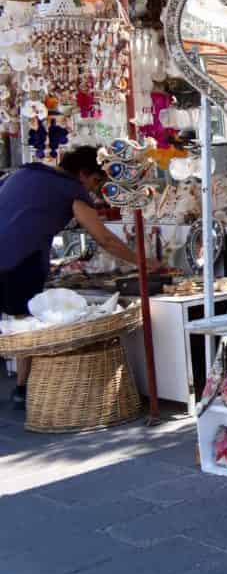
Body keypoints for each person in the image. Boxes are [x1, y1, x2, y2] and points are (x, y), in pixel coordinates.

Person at [0, 146, 140, 409]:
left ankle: (22, 387)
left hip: (11, 252)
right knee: (25, 321)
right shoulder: (71, 189)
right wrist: (142, 262)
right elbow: (105, 239)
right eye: (97, 181)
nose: (95, 189)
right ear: (84, 174)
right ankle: (22, 388)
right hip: (19, 258)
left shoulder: (24, 173)